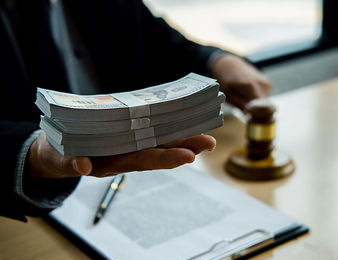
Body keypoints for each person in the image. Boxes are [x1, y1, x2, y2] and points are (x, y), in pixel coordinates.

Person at [0, 0, 271, 221]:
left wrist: (217, 61)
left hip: (133, 179)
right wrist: (33, 154)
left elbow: (157, 41)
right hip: (29, 202)